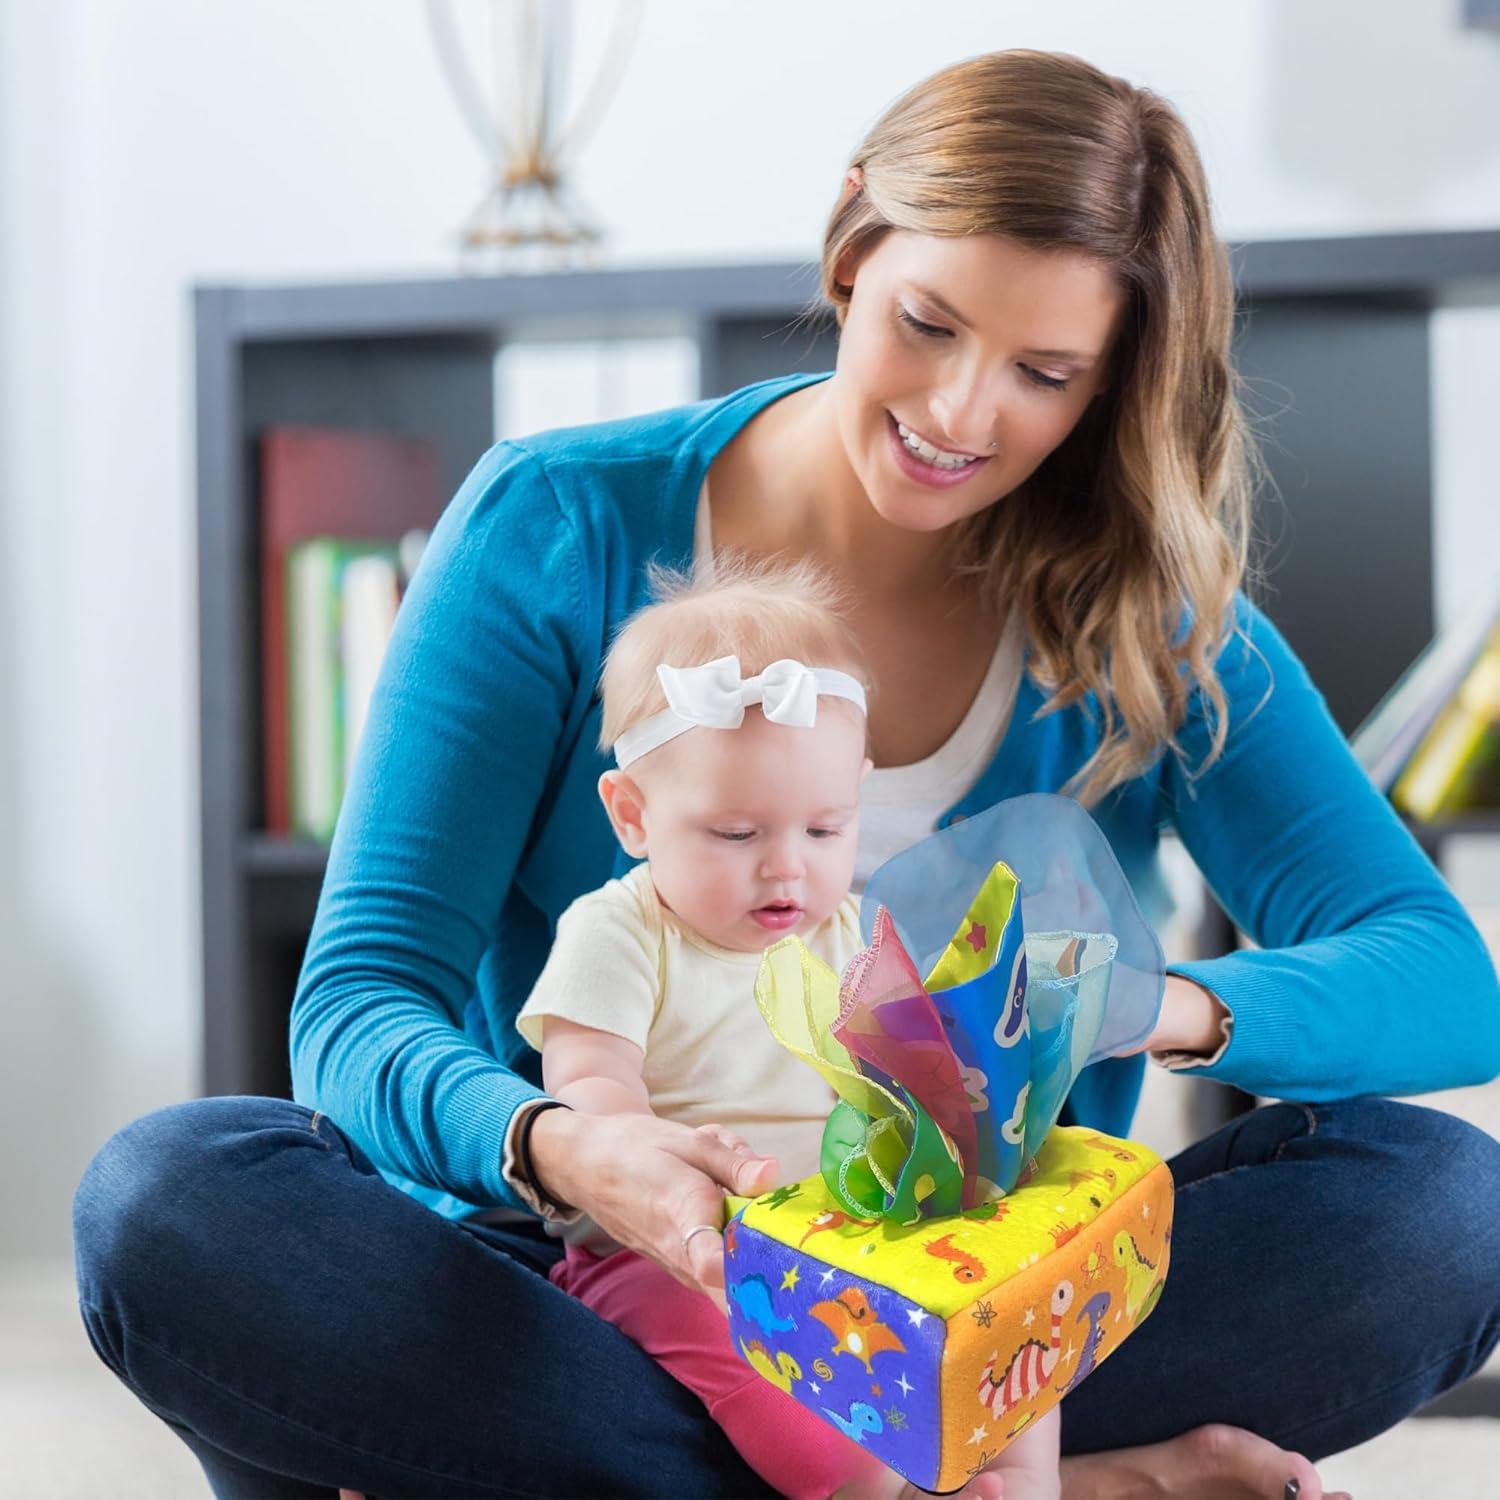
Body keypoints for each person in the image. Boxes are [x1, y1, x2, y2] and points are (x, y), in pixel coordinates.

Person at [72, 48, 1500, 1500]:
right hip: (603, 1283)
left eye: (1045, 373)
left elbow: (1443, 978)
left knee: (1445, 1211)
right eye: (928, 324)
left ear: (1115, 382)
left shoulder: (1146, 613)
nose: (959, 410)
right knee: (171, 1203)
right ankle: (1061, 1487)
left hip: (979, 1293)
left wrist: (1163, 1008)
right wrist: (567, 1148)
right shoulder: (557, 526)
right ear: (849, 242)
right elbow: (361, 997)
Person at [516, 557, 1061, 1500]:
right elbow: (593, 1096)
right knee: (829, 1444)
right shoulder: (618, 932)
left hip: (852, 1236)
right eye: (738, 835)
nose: (787, 874)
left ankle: (1013, 1484)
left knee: (1016, 1346)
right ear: (634, 814)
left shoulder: (847, 930)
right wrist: (669, 1163)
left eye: (824, 830)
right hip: (684, 1260)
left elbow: (912, 1081)